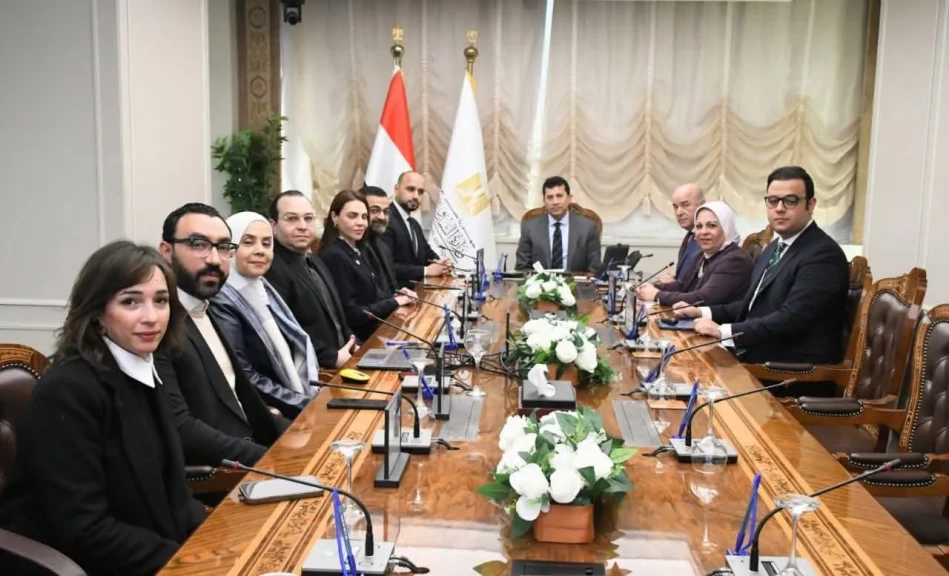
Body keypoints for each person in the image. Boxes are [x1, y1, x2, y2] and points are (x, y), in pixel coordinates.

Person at [0, 241, 206, 575]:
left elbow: (174, 494)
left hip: (153, 551)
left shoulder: (143, 368)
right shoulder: (67, 391)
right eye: (130, 302)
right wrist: (190, 563)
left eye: (161, 300)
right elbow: (84, 530)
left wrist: (217, 542)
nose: (151, 317)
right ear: (97, 312)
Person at [674, 166, 849, 371]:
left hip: (786, 370)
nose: (779, 208)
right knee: (674, 358)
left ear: (810, 205)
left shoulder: (823, 255)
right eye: (773, 201)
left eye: (790, 201)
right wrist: (702, 311)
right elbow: (750, 306)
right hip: (755, 352)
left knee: (685, 371)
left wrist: (724, 331)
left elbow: (791, 319)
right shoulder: (774, 247)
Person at [157, 203, 288, 466]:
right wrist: (269, 459)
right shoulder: (157, 324)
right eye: (198, 244)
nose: (215, 259)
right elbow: (182, 427)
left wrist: (303, 432)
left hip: (252, 453)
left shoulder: (206, 307)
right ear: (166, 251)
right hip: (224, 475)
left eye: (224, 247)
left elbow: (243, 397)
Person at [209, 212, 320, 418]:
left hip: (291, 400)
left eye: (267, 243)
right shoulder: (222, 300)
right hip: (266, 412)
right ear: (229, 249)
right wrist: (306, 403)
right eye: (248, 242)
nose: (260, 250)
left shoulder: (264, 289)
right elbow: (245, 375)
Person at [266, 190, 358, 368]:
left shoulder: (316, 261)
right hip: (317, 371)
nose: (302, 226)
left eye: (308, 218)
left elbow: (336, 317)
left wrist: (352, 343)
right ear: (273, 226)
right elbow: (285, 332)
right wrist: (332, 358)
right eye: (292, 219)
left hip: (345, 360)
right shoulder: (272, 269)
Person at [320, 190, 417, 341]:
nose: (360, 223)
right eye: (352, 216)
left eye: (364, 217)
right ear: (335, 217)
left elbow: (370, 297)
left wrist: (396, 296)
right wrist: (395, 302)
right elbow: (351, 314)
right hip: (361, 341)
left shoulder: (356, 249)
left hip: (377, 332)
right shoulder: (335, 255)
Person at [637, 201, 752, 306]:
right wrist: (652, 287)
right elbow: (683, 286)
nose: (703, 232)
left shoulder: (735, 260)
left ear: (727, 228)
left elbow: (703, 298)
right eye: (699, 226)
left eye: (712, 225)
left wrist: (657, 295)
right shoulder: (700, 255)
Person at [515, 175, 602, 272]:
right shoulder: (530, 227)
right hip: (540, 281)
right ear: (544, 201)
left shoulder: (588, 227)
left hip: (576, 281)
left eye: (559, 196)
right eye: (550, 197)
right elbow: (522, 267)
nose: (555, 202)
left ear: (569, 198)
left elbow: (594, 268)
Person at [381, 170, 453, 285]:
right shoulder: (385, 220)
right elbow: (386, 266)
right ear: (396, 189)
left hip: (418, 291)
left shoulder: (413, 223)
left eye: (420, 192)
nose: (416, 196)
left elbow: (427, 253)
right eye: (410, 189)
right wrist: (426, 271)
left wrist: (441, 264)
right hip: (395, 292)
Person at [659, 183, 705, 285]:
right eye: (675, 207)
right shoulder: (690, 237)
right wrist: (674, 281)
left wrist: (675, 285)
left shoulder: (709, 240)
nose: (678, 213)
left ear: (702, 205)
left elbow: (705, 286)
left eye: (686, 205)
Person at [361, 185, 399, 295]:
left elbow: (391, 287)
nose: (382, 217)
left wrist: (400, 294)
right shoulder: (353, 249)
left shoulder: (383, 246)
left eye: (386, 212)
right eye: (374, 210)